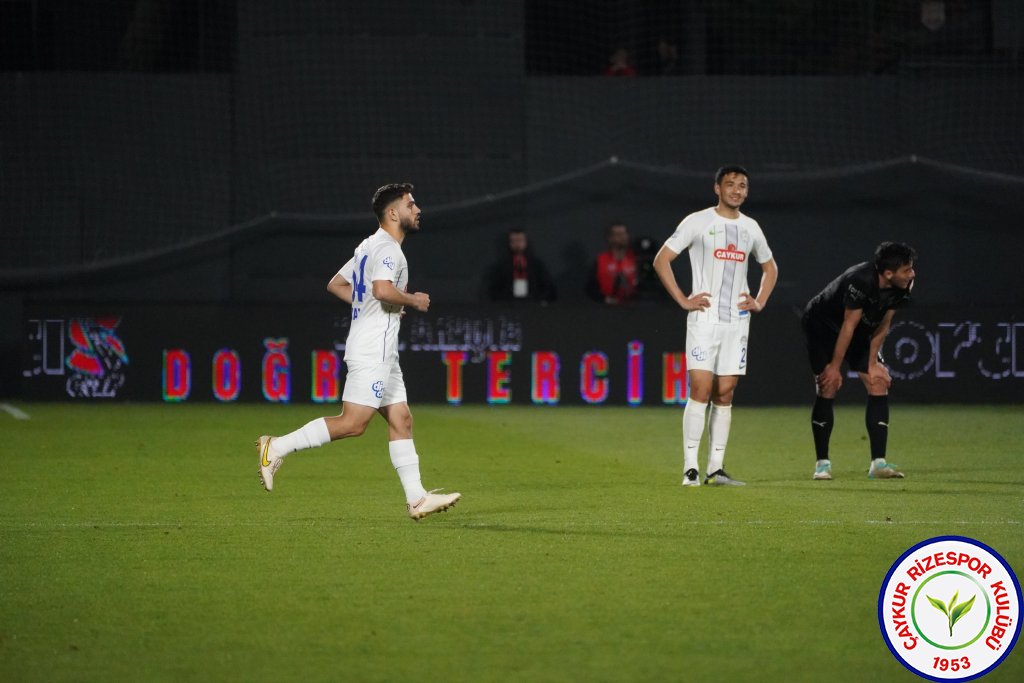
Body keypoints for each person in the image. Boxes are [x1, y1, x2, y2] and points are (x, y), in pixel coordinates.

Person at [256, 183, 461, 520]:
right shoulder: (389, 251)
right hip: (372, 350)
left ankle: (417, 498)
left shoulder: (369, 245)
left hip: (381, 351)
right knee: (353, 424)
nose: (417, 209)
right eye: (411, 204)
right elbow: (381, 289)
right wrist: (411, 299)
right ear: (394, 213)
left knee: (401, 419)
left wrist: (375, 304)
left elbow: (335, 284)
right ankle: (276, 446)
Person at [653, 165, 778, 486]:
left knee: (726, 392)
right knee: (701, 389)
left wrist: (759, 301)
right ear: (717, 189)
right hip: (704, 320)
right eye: (731, 184)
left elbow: (770, 268)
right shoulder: (698, 221)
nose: (737, 190)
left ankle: (716, 469)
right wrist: (683, 299)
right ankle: (690, 468)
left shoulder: (751, 228)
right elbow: (661, 259)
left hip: (736, 322)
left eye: (742, 185)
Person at [802, 242, 917, 481]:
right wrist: (834, 368)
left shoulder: (903, 285)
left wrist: (872, 361)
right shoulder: (860, 281)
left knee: (878, 380)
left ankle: (878, 463)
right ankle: (822, 464)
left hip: (857, 329)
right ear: (888, 273)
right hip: (821, 327)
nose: (912, 273)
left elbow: (884, 323)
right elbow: (848, 325)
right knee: (828, 385)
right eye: (906, 269)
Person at [487, 228, 557, 303]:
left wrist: (537, 300)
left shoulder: (537, 265)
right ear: (509, 243)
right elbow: (494, 291)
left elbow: (548, 288)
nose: (517, 244)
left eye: (520, 240)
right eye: (513, 241)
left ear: (526, 242)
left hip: (534, 306)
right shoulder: (501, 266)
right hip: (509, 307)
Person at [591, 222, 640, 304]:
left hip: (634, 308)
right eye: (618, 234)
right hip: (607, 309)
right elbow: (591, 287)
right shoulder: (601, 260)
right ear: (610, 238)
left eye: (624, 234)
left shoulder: (637, 259)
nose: (623, 237)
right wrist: (604, 299)